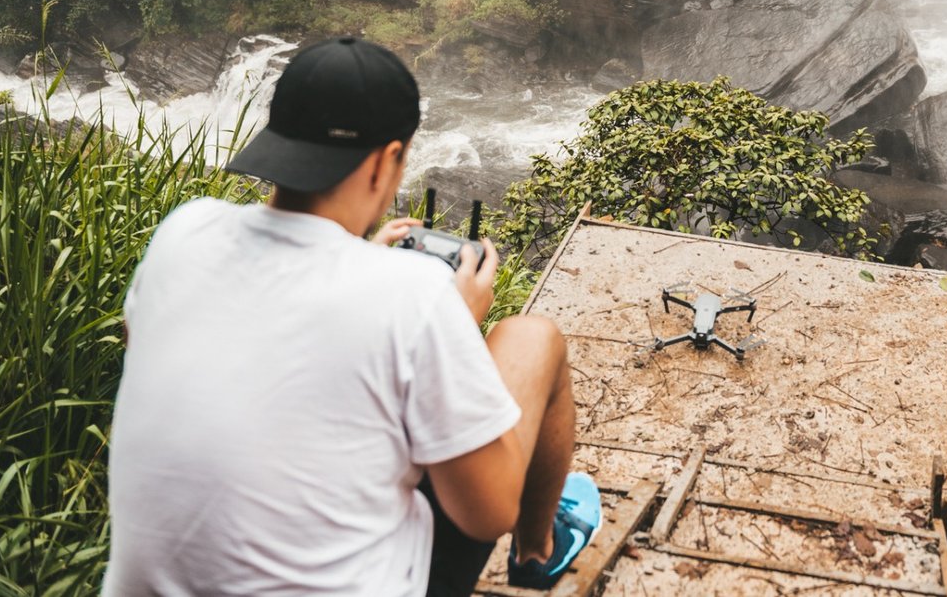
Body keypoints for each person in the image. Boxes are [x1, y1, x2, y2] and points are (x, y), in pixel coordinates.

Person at [102, 36, 597, 596]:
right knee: (533, 338)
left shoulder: (183, 234)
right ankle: (539, 551)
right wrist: (453, 323)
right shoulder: (413, 298)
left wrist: (363, 261)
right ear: (388, 161)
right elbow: (488, 512)